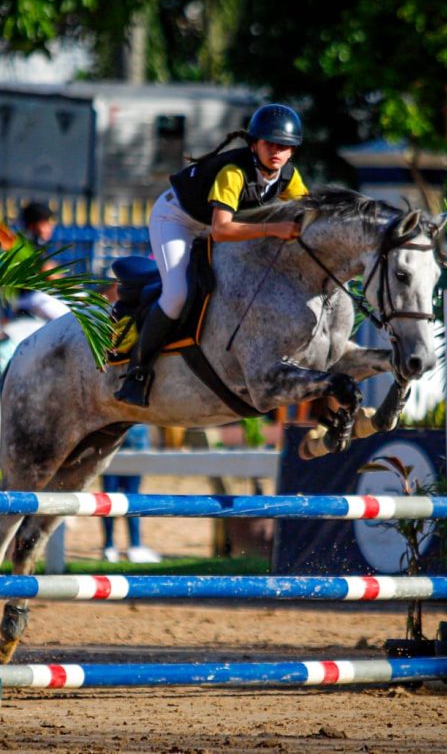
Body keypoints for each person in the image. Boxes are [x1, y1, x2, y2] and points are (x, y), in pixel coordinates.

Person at [114, 103, 310, 406]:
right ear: (254, 143)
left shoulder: (288, 176)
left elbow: (310, 212)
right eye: (269, 143)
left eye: (284, 146)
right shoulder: (234, 172)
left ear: (292, 151)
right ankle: (137, 372)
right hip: (176, 219)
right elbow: (221, 230)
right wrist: (273, 228)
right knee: (177, 292)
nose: (276, 151)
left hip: (209, 224)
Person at [99, 423, 161, 563]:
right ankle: (115, 546)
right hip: (120, 449)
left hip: (127, 448)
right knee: (111, 500)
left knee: (127, 498)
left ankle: (130, 546)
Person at [13, 202, 70, 322]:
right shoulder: (27, 242)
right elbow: (49, 273)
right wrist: (73, 287)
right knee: (70, 319)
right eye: (46, 223)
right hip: (31, 298)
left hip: (38, 297)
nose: (51, 227)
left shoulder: (33, 241)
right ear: (34, 225)